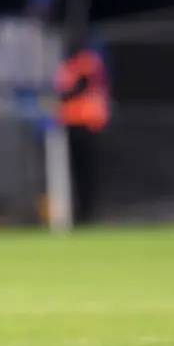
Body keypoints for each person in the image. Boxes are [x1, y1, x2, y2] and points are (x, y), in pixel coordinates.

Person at [56, 39, 110, 225]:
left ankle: (89, 212)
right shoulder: (67, 67)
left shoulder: (88, 62)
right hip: (70, 123)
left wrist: (62, 96)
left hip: (88, 124)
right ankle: (78, 212)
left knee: (89, 171)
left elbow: (79, 86)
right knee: (74, 171)